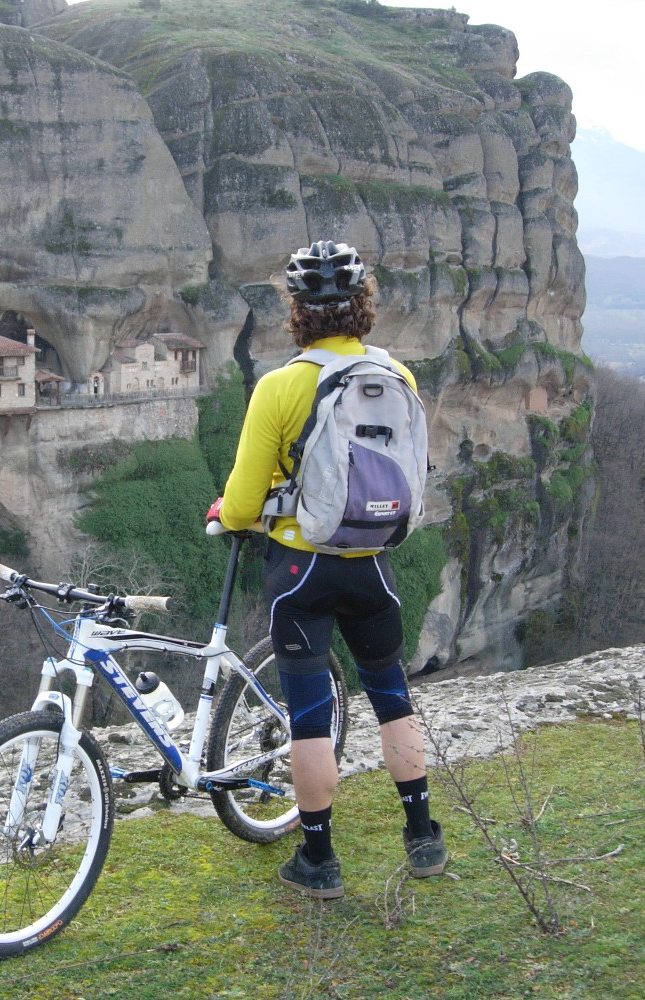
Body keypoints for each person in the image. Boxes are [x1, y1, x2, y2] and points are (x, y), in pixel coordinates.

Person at [206, 240, 446, 899]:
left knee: (311, 716)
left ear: (296, 313)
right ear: (363, 305)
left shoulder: (280, 388)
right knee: (392, 699)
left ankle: (319, 859)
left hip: (302, 572)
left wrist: (233, 513)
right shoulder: (397, 375)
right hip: (373, 565)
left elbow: (247, 500)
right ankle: (423, 836)